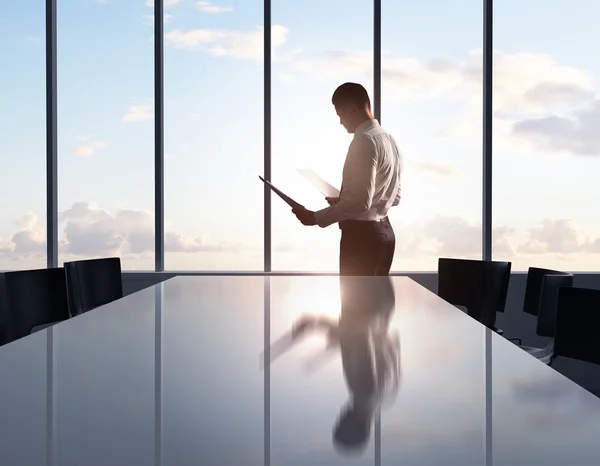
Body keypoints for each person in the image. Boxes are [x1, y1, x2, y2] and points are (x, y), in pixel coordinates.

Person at [292, 82, 403, 276]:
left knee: (356, 305)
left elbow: (359, 203)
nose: (341, 122)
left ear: (351, 109)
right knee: (376, 303)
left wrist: (315, 218)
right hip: (385, 236)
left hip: (361, 240)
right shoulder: (389, 139)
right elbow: (395, 197)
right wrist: (344, 202)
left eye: (340, 114)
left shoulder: (364, 140)